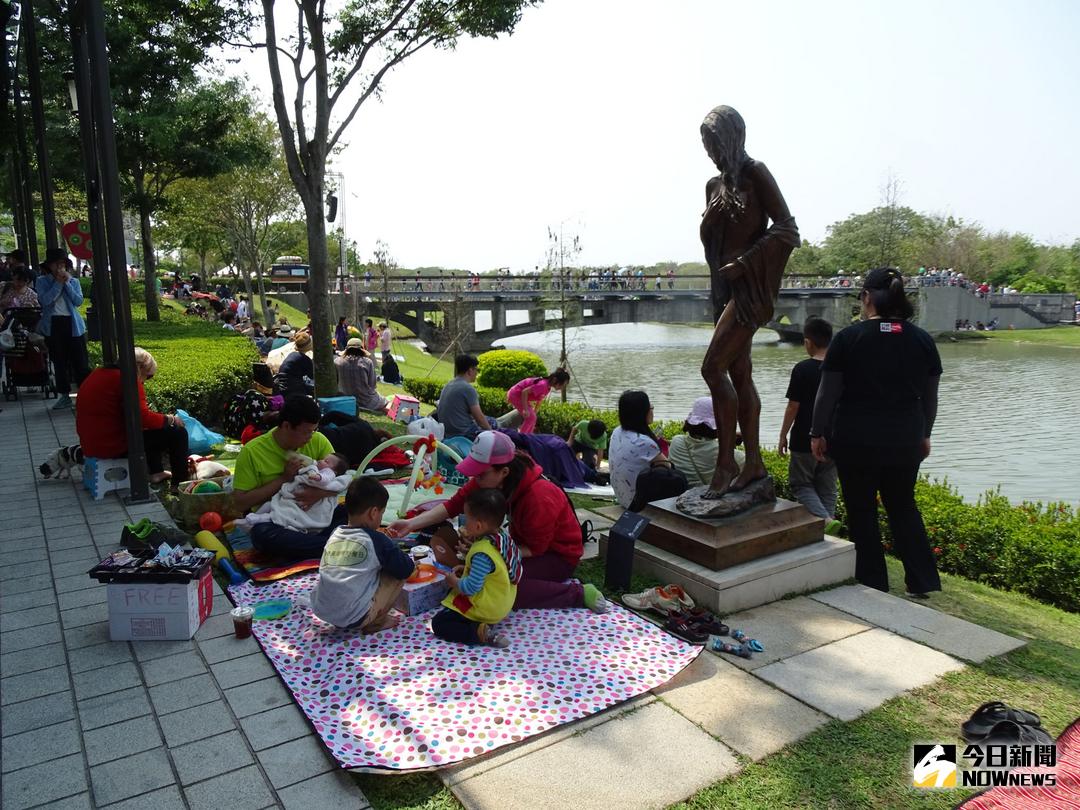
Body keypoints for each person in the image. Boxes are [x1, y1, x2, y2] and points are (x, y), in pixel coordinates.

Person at [810, 267, 943, 597]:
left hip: (857, 439)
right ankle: (921, 581)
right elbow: (930, 396)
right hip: (906, 438)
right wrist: (925, 433)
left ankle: (873, 583)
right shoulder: (922, 340)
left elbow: (827, 393)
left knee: (861, 509)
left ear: (867, 298)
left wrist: (817, 432)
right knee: (903, 505)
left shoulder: (849, 338)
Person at [387, 431, 608, 612]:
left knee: (501, 589)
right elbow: (452, 505)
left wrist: (489, 550)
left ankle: (577, 594)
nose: (474, 479)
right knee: (478, 574)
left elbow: (535, 548)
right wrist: (411, 525)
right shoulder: (488, 478)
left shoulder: (539, 497)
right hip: (522, 544)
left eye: (479, 474)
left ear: (503, 472)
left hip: (556, 556)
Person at [698, 105, 799, 497]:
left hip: (749, 288)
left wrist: (745, 263)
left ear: (730, 137)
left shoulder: (755, 173)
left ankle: (726, 463)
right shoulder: (713, 185)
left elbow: (787, 229)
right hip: (724, 290)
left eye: (713, 142)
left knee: (712, 368)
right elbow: (712, 240)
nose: (709, 151)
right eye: (705, 145)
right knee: (739, 374)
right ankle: (753, 462)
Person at [233, 396, 345, 559]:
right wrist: (283, 479)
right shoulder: (252, 452)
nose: (310, 437)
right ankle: (331, 545)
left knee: (351, 509)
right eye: (307, 432)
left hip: (317, 515)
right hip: (278, 520)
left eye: (314, 431)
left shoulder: (318, 441)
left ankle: (314, 545)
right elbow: (240, 502)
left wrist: (320, 493)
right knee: (261, 534)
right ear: (286, 426)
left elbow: (344, 479)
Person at [310, 476, 414, 632]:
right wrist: (390, 546)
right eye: (381, 513)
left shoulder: (336, 533)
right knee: (395, 574)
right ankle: (376, 622)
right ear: (373, 513)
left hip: (322, 610)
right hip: (355, 617)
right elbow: (405, 568)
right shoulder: (376, 540)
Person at [75, 348, 189, 488]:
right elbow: (143, 418)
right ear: (140, 368)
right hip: (111, 446)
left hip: (92, 443)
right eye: (149, 376)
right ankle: (180, 483)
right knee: (177, 433)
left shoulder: (98, 373)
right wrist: (171, 419)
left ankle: (156, 472)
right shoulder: (128, 381)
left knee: (153, 431)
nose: (145, 381)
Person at [431, 489, 521, 649]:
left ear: (478, 525)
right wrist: (467, 566)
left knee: (439, 622)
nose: (464, 524)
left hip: (488, 608)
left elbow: (471, 588)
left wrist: (454, 582)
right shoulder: (502, 537)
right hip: (504, 600)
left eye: (467, 519)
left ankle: (478, 632)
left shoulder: (481, 554)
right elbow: (493, 566)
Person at [779, 318, 839, 528]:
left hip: (804, 437)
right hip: (833, 437)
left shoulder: (803, 369)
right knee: (827, 487)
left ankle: (826, 521)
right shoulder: (841, 368)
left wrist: (782, 435)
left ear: (807, 342)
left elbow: (793, 407)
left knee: (801, 484)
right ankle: (829, 529)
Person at [609, 390, 687, 511]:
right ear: (641, 412)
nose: (652, 410)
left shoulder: (617, 431)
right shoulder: (643, 442)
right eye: (650, 407)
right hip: (637, 503)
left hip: (622, 497)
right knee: (677, 478)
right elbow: (669, 468)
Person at [35, 248, 90, 410]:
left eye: (62, 264)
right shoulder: (42, 281)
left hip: (73, 325)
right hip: (53, 325)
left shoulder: (74, 281)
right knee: (59, 361)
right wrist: (58, 284)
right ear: (49, 266)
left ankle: (85, 395)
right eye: (56, 264)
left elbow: (78, 301)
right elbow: (45, 301)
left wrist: (66, 283)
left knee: (80, 361)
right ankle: (64, 395)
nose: (59, 267)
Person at [242, 452, 351, 532]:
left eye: (326, 461)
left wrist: (317, 478)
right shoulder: (317, 468)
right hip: (291, 497)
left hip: (301, 506)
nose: (321, 461)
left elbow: (326, 480)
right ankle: (251, 519)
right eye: (323, 459)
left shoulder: (328, 473)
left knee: (283, 515)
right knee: (269, 505)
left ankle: (257, 519)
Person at [669, 396, 744, 488]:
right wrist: (729, 441)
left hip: (681, 494)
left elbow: (702, 450)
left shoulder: (676, 441)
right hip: (710, 498)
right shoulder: (737, 457)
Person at [436, 354, 491, 439]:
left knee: (491, 419)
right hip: (464, 433)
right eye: (476, 369)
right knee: (495, 424)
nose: (477, 373)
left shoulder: (449, 384)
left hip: (447, 432)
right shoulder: (468, 389)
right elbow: (480, 420)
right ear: (470, 370)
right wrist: (492, 434)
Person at [505, 369, 570, 434]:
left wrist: (534, 412)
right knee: (531, 417)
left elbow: (539, 401)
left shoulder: (547, 388)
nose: (562, 388)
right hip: (515, 395)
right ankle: (521, 438)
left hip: (519, 395)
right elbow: (524, 392)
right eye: (562, 385)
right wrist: (525, 409)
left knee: (533, 418)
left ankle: (528, 436)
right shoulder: (543, 385)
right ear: (555, 380)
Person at [334, 338, 387, 413]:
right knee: (385, 401)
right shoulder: (367, 362)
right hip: (365, 401)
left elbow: (335, 381)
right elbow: (372, 385)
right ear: (361, 350)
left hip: (345, 399)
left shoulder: (337, 361)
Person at [272, 332, 314, 398]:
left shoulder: (292, 354)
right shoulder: (305, 359)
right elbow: (313, 376)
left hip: (281, 386)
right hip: (292, 389)